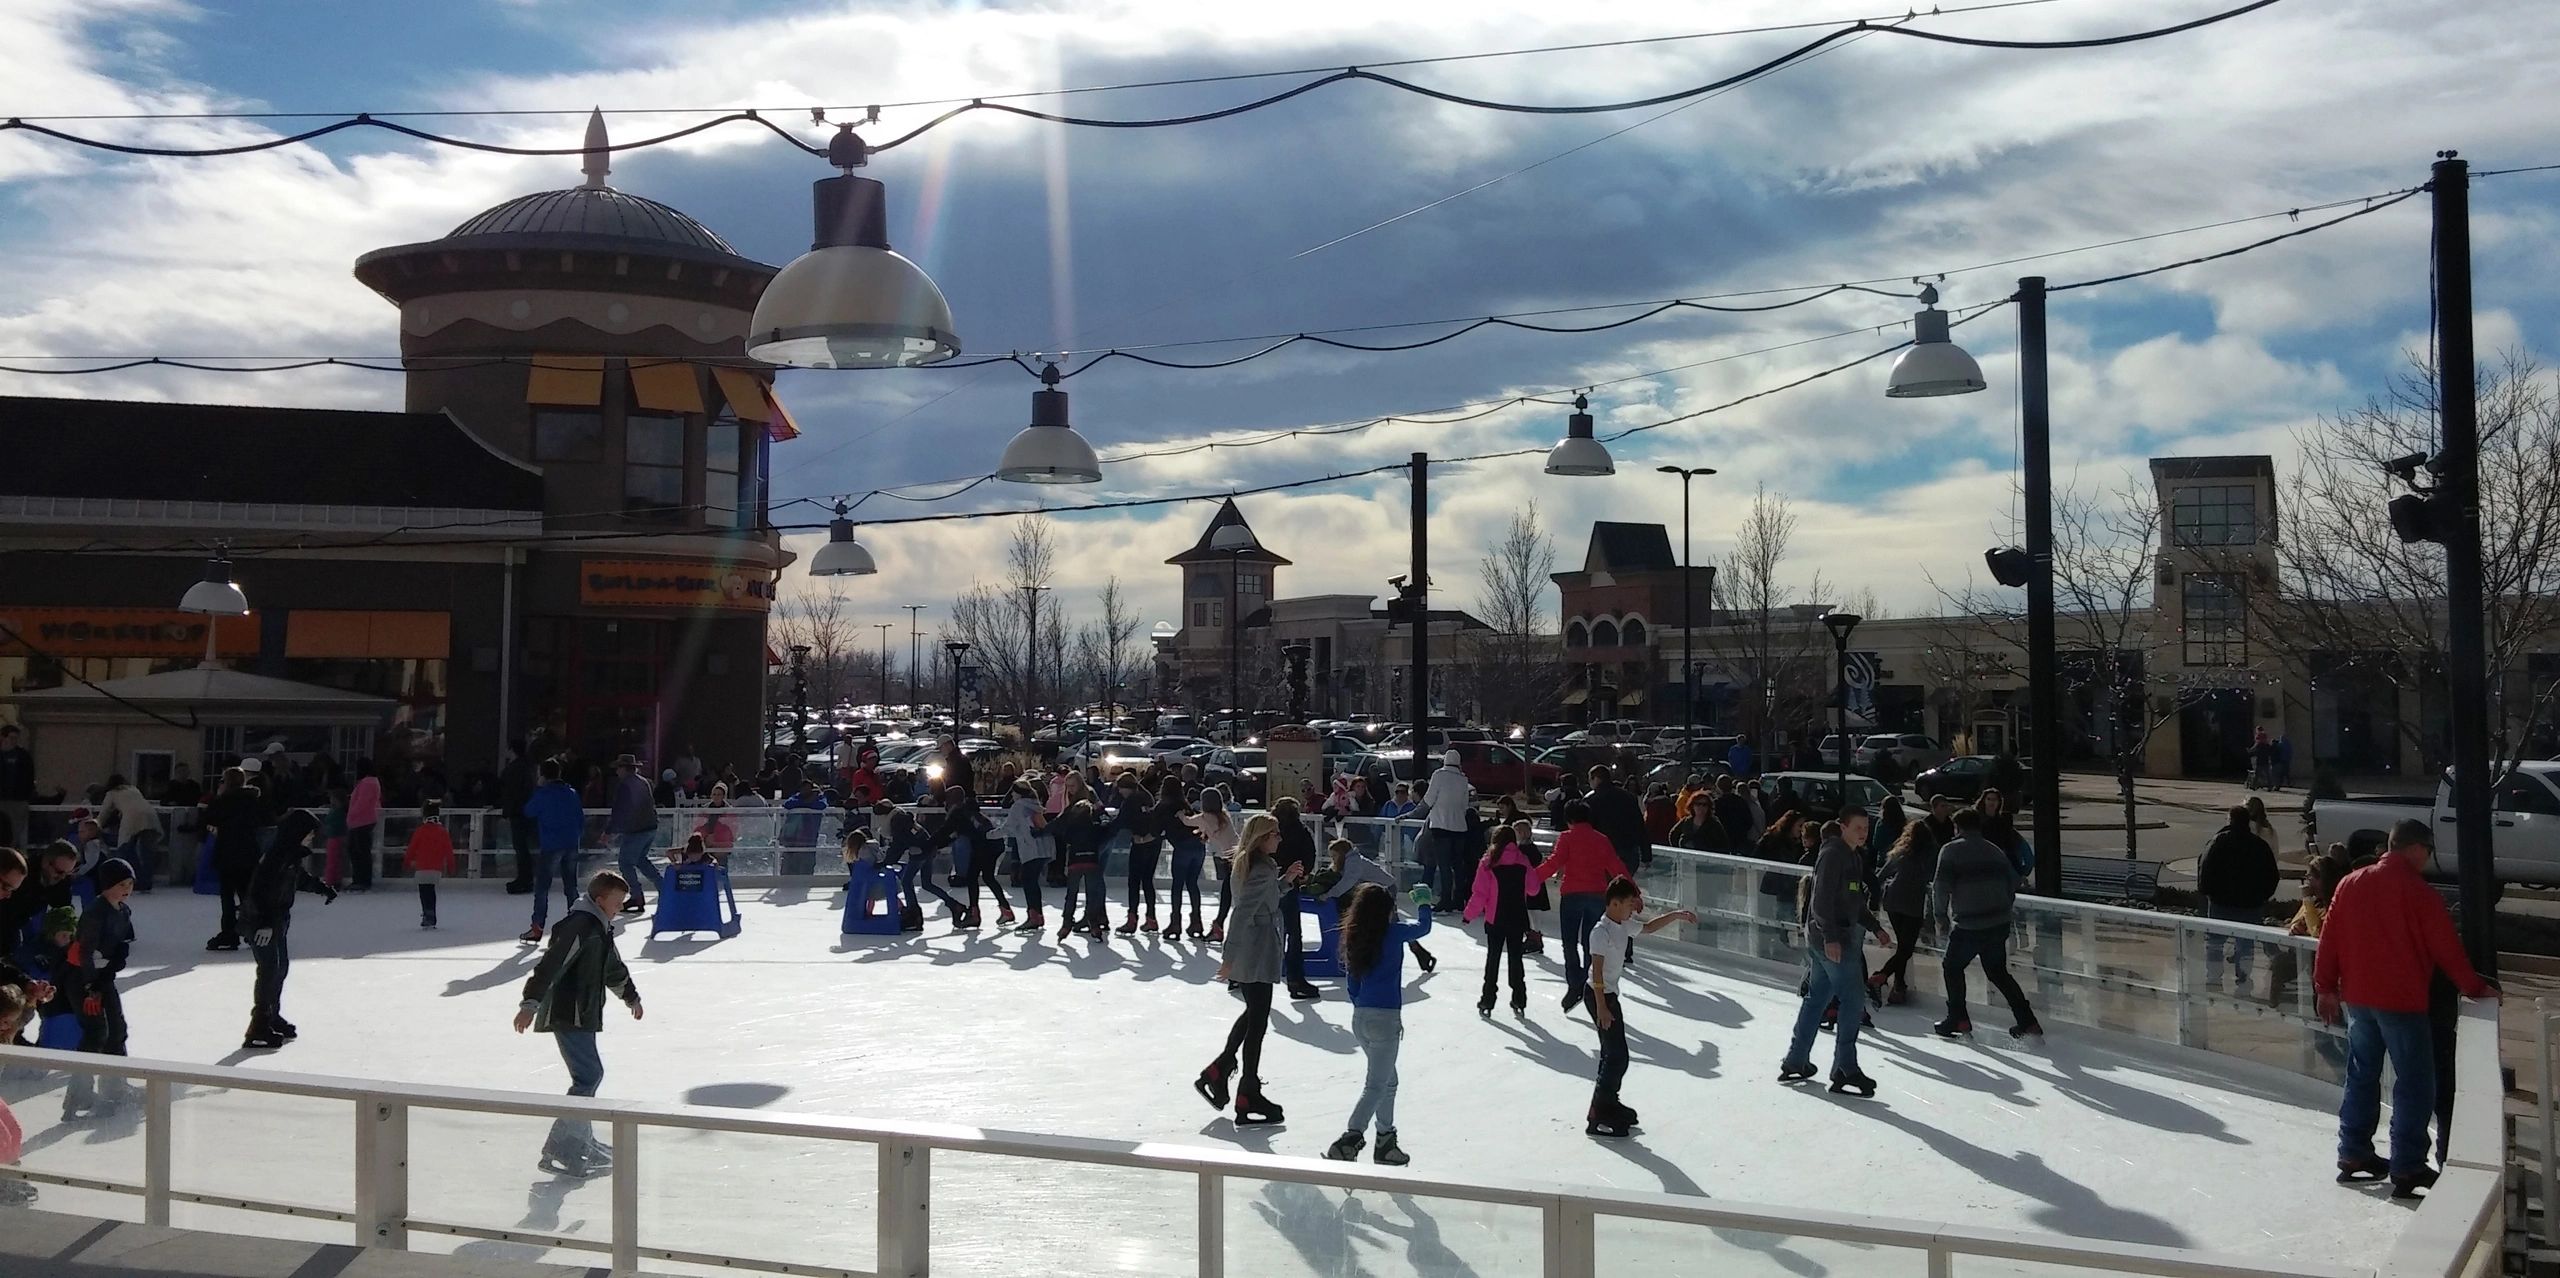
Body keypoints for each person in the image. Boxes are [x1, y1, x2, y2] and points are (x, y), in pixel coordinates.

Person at [2315, 819, 2495, 1196]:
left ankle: (2353, 1152)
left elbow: (2329, 937)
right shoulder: (2420, 894)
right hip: (2402, 1001)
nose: (2427, 858)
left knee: (2361, 1075)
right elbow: (2447, 950)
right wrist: (2476, 987)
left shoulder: (2350, 884)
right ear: (2415, 848)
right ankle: (2408, 1164)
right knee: (2415, 1083)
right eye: (2427, 851)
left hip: (2359, 999)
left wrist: (2325, 987)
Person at [514, 870, 644, 1179]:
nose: (620, 908)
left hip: (583, 1012)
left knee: (588, 1076)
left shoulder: (599, 927)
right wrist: (530, 1004)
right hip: (567, 1012)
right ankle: (563, 1148)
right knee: (588, 1076)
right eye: (617, 903)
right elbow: (550, 965)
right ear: (599, 900)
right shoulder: (579, 927)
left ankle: (581, 1141)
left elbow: (612, 967)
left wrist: (631, 996)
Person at [1322, 881, 1435, 1166]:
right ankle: (1350, 1138)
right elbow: (1423, 928)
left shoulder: (1356, 936)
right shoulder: (1393, 933)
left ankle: (1385, 1139)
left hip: (1361, 1018)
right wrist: (1423, 903)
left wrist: (1361, 1004)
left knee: (1388, 1082)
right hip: (1385, 1020)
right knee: (1376, 1085)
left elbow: (1352, 982)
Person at [1198, 813, 1296, 1126]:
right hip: (1256, 949)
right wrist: (1229, 958)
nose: (1279, 838)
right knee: (1257, 1021)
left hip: (1254, 947)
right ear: (1262, 838)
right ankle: (1246, 1089)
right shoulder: (1261, 869)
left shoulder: (1250, 865)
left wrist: (1286, 881)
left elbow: (1262, 898)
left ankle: (1222, 1070)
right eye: (1275, 834)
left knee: (1254, 1014)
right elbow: (1242, 912)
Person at [1778, 811, 1886, 1098]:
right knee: (1853, 999)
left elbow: (1854, 900)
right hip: (1834, 941)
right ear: (1843, 827)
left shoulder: (1853, 856)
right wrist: (1830, 938)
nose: (1863, 833)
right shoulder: (1833, 854)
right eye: (1857, 827)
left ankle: (1796, 1059)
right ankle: (1844, 1067)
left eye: (1866, 828)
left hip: (1831, 938)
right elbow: (1821, 901)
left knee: (1817, 998)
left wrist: (1875, 927)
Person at [1583, 877, 1697, 1138]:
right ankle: (1600, 1110)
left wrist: (1675, 915)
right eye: (1628, 905)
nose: (1632, 910)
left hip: (1608, 995)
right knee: (1615, 1055)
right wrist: (1602, 1008)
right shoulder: (1600, 932)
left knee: (1615, 1054)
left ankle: (1607, 1103)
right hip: (1599, 995)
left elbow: (1649, 927)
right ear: (1614, 903)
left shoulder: (1623, 924)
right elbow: (1596, 973)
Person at [1929, 808, 2041, 1040]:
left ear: (1957, 828)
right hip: (1998, 922)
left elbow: (1940, 888)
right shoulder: (1994, 850)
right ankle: (2027, 1020)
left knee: (1952, 967)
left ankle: (1958, 1018)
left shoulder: (1950, 850)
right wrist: (2003, 909)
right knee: (1998, 972)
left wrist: (1940, 917)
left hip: (1969, 924)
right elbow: (2012, 882)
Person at [238, 807, 337, 1050]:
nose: (312, 837)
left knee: (280, 968)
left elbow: (299, 879)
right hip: (262, 922)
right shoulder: (277, 856)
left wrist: (322, 889)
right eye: (309, 833)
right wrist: (264, 924)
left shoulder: (289, 856)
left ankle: (272, 1015)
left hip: (276, 921)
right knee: (269, 970)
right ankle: (258, 1026)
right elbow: (259, 891)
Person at [1531, 799, 1629, 1014]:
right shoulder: (1601, 839)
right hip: (1597, 895)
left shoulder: (1567, 837)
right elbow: (1616, 866)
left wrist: (1531, 878)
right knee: (1590, 944)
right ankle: (1587, 985)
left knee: (1569, 943)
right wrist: (1634, 893)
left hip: (1572, 895)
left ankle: (1575, 984)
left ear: (1569, 819)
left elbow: (1554, 862)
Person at [61, 857, 138, 1122]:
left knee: (117, 1030)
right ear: (106, 886)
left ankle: (115, 1088)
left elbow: (122, 941)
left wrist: (116, 960)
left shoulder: (123, 911)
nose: (126, 889)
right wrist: (90, 985)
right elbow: (85, 952)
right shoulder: (95, 912)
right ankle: (78, 1095)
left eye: (129, 884)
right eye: (120, 884)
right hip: (83, 978)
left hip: (103, 977)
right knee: (96, 1033)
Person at [1321, 836, 1436, 973]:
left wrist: (1328, 894)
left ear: (1341, 853)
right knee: (1392, 924)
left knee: (1391, 925)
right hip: (1377, 890)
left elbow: (1347, 882)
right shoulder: (1350, 861)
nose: (1333, 859)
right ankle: (1419, 951)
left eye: (1334, 856)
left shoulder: (1354, 862)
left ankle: (1417, 951)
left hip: (1385, 889)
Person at [2197, 803, 2279, 991]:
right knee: (2245, 945)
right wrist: (2261, 897)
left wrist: (2209, 893)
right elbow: (2272, 876)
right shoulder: (2259, 845)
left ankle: (2213, 979)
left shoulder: (2218, 842)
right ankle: (2243, 980)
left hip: (2221, 904)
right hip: (2251, 905)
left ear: (2230, 820)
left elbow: (2205, 870)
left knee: (2215, 943)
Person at [1869, 817, 1941, 1007]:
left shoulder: (1900, 852)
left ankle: (1898, 987)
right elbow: (1934, 878)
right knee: (1905, 949)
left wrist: (1871, 895)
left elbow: (1881, 875)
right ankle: (1882, 977)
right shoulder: (1931, 853)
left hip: (1892, 900)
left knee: (1903, 947)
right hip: (1913, 903)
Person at [1466, 824, 1536, 1016]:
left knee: (1493, 958)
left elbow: (1480, 894)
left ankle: (1487, 999)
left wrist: (1468, 915)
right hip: (1518, 917)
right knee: (1516, 958)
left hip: (1495, 917)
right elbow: (1534, 889)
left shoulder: (1488, 862)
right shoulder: (1523, 860)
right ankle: (1519, 997)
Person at [522, 759, 588, 944]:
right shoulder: (572, 793)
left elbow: (528, 811)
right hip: (571, 843)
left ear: (543, 775)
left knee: (542, 888)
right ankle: (577, 924)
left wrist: (538, 788)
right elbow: (580, 818)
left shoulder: (543, 794)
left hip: (551, 845)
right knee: (571, 886)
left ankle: (537, 926)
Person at [200, 767, 265, 951]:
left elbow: (210, 818)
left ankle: (229, 932)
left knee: (227, 896)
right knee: (247, 895)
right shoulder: (253, 800)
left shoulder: (223, 801)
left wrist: (219, 796)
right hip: (249, 852)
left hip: (227, 852)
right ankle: (253, 928)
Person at [930, 785, 1008, 929]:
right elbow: (955, 834)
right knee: (988, 877)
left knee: (972, 878)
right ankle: (1005, 909)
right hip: (994, 844)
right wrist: (937, 845)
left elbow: (945, 831)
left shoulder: (958, 813)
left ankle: (974, 914)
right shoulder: (971, 811)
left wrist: (928, 844)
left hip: (984, 846)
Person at [1271, 796, 1323, 1000]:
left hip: (1266, 884)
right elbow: (1310, 855)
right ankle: (1295, 979)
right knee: (1293, 933)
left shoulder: (1269, 830)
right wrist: (1303, 875)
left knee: (1262, 931)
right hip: (1290, 885)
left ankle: (1243, 975)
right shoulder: (1301, 832)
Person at [1104, 773, 1164, 936]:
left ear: (1126, 787)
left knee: (1134, 881)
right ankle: (1151, 917)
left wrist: (1103, 830)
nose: (1120, 793)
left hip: (1140, 842)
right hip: (1154, 842)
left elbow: (1121, 821)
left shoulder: (1131, 800)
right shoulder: (1147, 796)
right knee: (1147, 881)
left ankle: (1132, 918)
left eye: (1121, 789)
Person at [995, 779, 1054, 934]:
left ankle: (1033, 917)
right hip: (1044, 848)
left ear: (1018, 793)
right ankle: (1037, 915)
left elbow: (1008, 828)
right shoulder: (1035, 804)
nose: (1012, 795)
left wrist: (988, 835)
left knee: (1029, 882)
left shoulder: (1019, 806)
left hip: (1031, 849)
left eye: (1013, 792)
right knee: (1032, 882)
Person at [605, 755, 661, 916]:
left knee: (625, 863)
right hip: (650, 827)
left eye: (618, 767)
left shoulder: (625, 785)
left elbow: (620, 810)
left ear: (624, 768)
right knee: (641, 860)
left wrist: (609, 831)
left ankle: (637, 895)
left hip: (636, 830)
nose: (617, 771)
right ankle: (664, 888)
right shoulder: (644, 782)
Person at [1419, 749, 1474, 906]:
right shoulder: (1463, 779)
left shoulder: (1438, 775)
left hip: (1441, 826)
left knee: (1444, 865)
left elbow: (1429, 799)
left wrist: (1414, 813)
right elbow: (1464, 805)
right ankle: (1459, 899)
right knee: (1458, 865)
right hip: (1460, 828)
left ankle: (1445, 900)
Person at [1054, 797, 1109, 939]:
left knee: (1071, 894)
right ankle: (1094, 925)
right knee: (1092, 895)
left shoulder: (1071, 827)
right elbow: (1105, 834)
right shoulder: (1095, 827)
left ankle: (1066, 923)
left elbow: (1064, 837)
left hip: (1075, 863)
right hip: (1091, 862)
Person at [1581, 765, 1648, 876]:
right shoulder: (1629, 797)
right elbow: (1639, 826)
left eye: (1590, 779)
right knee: (1623, 884)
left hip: (1602, 853)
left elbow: (1586, 830)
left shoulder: (1591, 800)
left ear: (1596, 779)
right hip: (1628, 852)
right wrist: (1646, 854)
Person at [97, 773, 156, 890]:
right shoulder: (134, 789)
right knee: (147, 852)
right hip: (150, 816)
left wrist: (96, 825)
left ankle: (132, 879)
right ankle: (147, 881)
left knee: (125, 848)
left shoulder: (112, 793)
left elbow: (105, 812)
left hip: (131, 819)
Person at [499, 741, 538, 895]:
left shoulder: (514, 769)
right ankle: (526, 878)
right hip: (526, 813)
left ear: (512, 750)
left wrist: (506, 809)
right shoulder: (529, 768)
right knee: (524, 847)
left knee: (521, 847)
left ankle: (524, 879)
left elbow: (511, 792)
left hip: (518, 813)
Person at [409, 799, 455, 929]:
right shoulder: (442, 832)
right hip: (436, 869)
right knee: (431, 890)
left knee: (424, 891)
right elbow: (449, 851)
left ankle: (427, 913)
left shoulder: (420, 831)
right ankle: (431, 914)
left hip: (422, 868)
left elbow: (412, 848)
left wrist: (407, 862)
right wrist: (451, 866)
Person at [344, 760, 382, 892]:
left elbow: (362, 803)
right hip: (362, 820)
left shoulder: (368, 783)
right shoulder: (371, 782)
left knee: (359, 851)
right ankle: (360, 879)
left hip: (362, 821)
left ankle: (362, 880)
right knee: (358, 850)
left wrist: (351, 813)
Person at [0, 724, 33, 850]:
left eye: (16, 738)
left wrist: (26, 795)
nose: (14, 741)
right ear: (3, 737)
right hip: (2, 799)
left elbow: (29, 776)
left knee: (15, 832)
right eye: (11, 738)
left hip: (18, 800)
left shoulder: (23, 756)